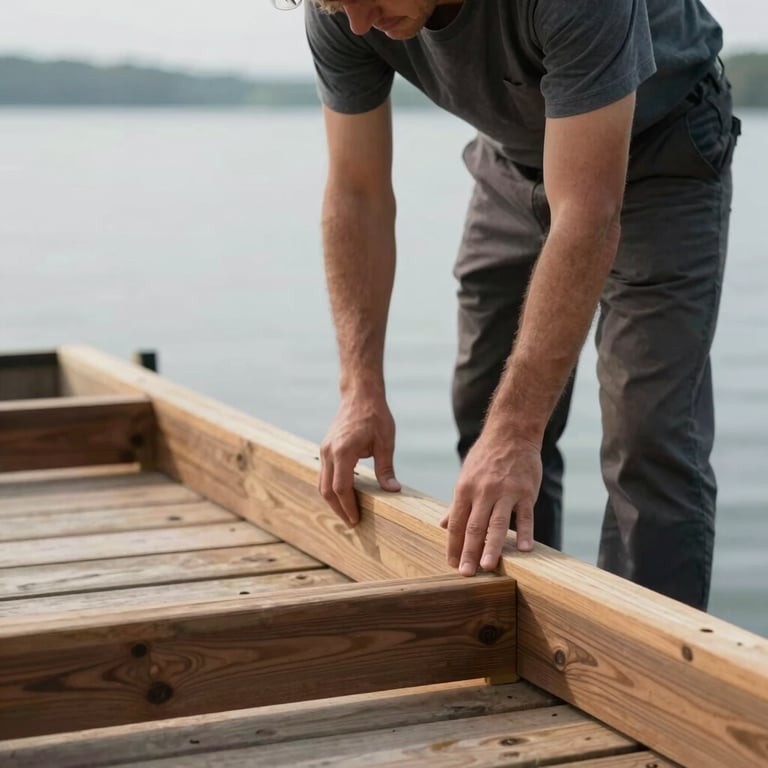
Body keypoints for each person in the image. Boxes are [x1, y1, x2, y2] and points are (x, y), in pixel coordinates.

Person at [283, 0, 740, 610]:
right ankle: (516, 631)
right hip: (514, 151)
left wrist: (518, 430)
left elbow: (586, 215)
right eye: (339, 5)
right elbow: (357, 192)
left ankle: (650, 679)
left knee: (647, 435)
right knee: (483, 411)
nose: (359, 22)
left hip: (662, 145)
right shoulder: (341, 12)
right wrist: (358, 389)